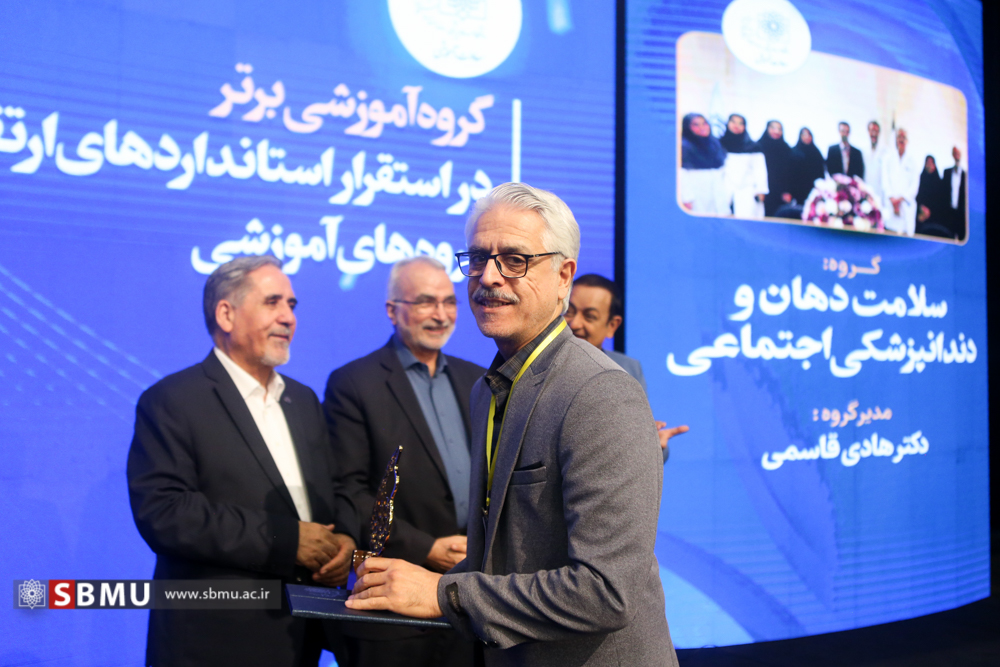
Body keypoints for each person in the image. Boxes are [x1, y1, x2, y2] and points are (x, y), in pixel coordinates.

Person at [345, 183, 678, 667]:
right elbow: (507, 561)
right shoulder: (488, 388)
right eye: (479, 258)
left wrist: (441, 593)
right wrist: (408, 582)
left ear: (564, 276)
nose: (489, 276)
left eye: (515, 260)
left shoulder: (601, 391)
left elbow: (605, 592)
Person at [127, 256, 359, 667]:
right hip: (213, 642)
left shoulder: (303, 400)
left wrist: (345, 543)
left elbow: (331, 491)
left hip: (301, 637)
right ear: (226, 315)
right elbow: (165, 513)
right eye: (272, 302)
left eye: (291, 305)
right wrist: (287, 541)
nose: (288, 317)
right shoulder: (172, 400)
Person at [323, 256, 484, 667]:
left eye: (449, 302)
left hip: (469, 599)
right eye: (426, 301)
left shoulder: (478, 381)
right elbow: (348, 492)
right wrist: (427, 547)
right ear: (392, 310)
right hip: (391, 610)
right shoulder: (354, 383)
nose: (441, 314)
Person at [564, 273, 689, 461]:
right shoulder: (535, 365)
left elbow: (642, 444)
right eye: (569, 311)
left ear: (612, 326)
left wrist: (654, 446)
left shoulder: (628, 369)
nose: (574, 323)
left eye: (589, 316)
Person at [679, 112, 729, 215]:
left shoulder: (714, 143)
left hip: (717, 191)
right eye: (696, 124)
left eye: (704, 123)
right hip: (696, 192)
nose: (702, 127)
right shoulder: (684, 146)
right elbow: (681, 174)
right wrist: (687, 197)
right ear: (687, 127)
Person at [719, 113, 768, 218]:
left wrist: (761, 190)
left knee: (746, 218)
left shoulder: (753, 147)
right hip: (723, 187)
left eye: (740, 123)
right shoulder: (718, 144)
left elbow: (760, 170)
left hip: (746, 188)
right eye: (733, 122)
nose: (736, 125)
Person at [881, 128, 920, 236]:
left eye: (904, 137)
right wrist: (893, 201)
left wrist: (900, 200)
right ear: (895, 139)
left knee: (905, 240)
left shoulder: (913, 161)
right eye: (899, 137)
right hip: (891, 207)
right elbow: (885, 182)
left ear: (907, 141)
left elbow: (914, 186)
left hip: (906, 208)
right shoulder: (887, 158)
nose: (901, 140)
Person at [757, 120, 795, 216]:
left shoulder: (786, 149)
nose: (776, 131)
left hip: (780, 193)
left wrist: (787, 191)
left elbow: (790, 173)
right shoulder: (758, 147)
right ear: (767, 129)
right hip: (763, 190)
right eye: (773, 128)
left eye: (779, 129)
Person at [915, 155, 950, 238]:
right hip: (922, 218)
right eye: (927, 163)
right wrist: (921, 208)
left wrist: (931, 212)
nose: (929, 165)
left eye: (931, 163)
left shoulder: (940, 183)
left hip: (936, 219)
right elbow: (917, 198)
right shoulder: (919, 180)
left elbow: (942, 202)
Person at [791, 127, 826, 206]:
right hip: (798, 191)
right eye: (804, 135)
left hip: (814, 190)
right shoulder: (794, 152)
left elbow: (821, 172)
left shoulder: (816, 152)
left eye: (809, 135)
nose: (807, 137)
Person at [942, 146, 967, 241]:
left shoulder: (965, 175)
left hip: (961, 213)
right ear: (952, 155)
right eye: (955, 153)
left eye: (958, 153)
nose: (957, 155)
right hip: (949, 212)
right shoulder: (947, 172)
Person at [860, 121, 886, 201]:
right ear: (868, 131)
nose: (874, 133)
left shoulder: (886, 152)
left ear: (879, 133)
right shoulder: (862, 150)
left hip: (880, 192)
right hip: (865, 191)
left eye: (876, 131)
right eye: (872, 130)